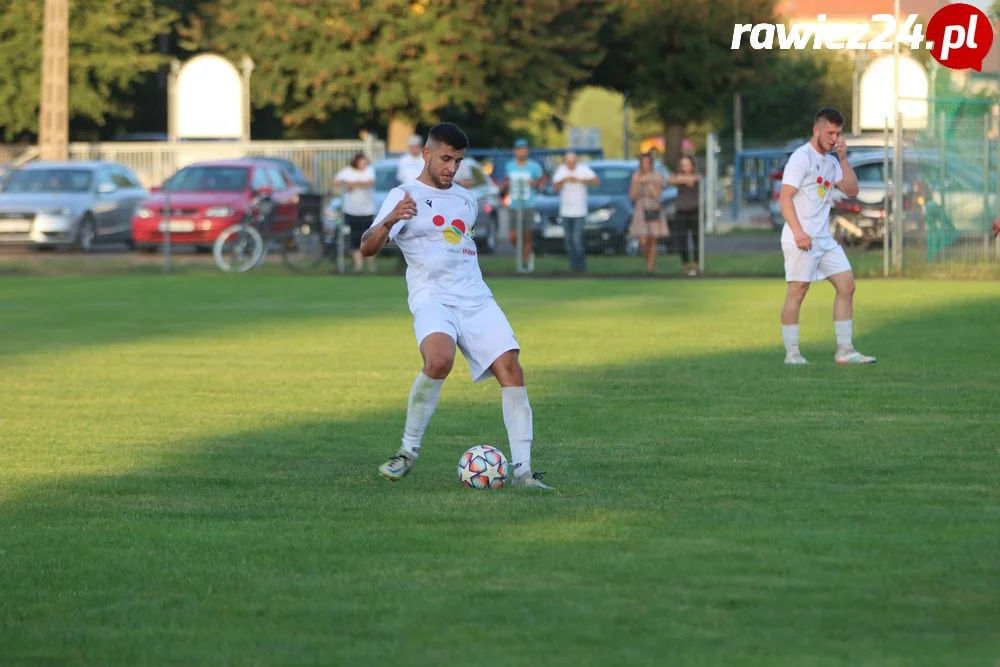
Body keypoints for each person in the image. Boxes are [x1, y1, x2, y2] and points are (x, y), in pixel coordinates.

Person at [359, 122, 553, 491]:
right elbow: (367, 247)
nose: (451, 167)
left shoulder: (467, 199)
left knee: (511, 368)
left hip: (475, 297)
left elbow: (460, 245)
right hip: (432, 296)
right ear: (427, 154)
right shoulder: (404, 194)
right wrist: (390, 219)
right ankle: (407, 452)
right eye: (446, 158)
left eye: (458, 160)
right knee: (439, 361)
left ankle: (525, 473)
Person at [779, 107, 875, 365]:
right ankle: (792, 355)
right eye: (830, 132)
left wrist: (844, 159)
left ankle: (844, 351)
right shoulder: (802, 158)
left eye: (838, 133)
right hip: (801, 237)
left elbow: (852, 190)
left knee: (847, 285)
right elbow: (784, 197)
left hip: (823, 239)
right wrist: (798, 232)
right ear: (817, 130)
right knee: (797, 291)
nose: (834, 138)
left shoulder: (832, 162)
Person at [552, 151, 599, 272]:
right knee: (568, 241)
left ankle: (581, 266)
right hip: (565, 211)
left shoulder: (583, 169)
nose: (570, 165)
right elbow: (555, 186)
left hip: (579, 211)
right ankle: (573, 266)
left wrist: (579, 179)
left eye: (572, 162)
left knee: (577, 239)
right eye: (568, 162)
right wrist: (565, 179)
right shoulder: (561, 170)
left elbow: (596, 181)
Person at [504, 139, 546, 273]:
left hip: (529, 203)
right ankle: (523, 253)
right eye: (519, 149)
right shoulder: (509, 166)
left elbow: (542, 181)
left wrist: (535, 183)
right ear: (515, 151)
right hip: (514, 204)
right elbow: (506, 182)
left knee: (527, 234)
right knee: (513, 236)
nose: (522, 151)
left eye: (524, 149)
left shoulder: (534, 166)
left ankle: (525, 262)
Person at [334, 152, 377, 273]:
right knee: (355, 238)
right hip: (351, 210)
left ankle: (371, 266)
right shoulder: (347, 171)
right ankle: (358, 265)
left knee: (368, 238)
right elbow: (336, 182)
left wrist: (351, 184)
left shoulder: (369, 170)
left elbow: (369, 182)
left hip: (367, 210)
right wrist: (352, 184)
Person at [628, 153, 669, 272]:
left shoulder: (657, 176)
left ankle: (651, 266)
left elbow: (657, 195)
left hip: (653, 207)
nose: (645, 165)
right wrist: (637, 183)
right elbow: (632, 196)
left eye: (648, 162)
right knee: (643, 240)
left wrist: (649, 184)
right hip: (641, 207)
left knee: (653, 237)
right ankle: (649, 262)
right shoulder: (636, 176)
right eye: (643, 162)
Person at [667, 155, 702, 276]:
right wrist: (685, 179)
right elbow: (670, 180)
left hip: (695, 210)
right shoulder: (677, 177)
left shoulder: (698, 177)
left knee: (697, 239)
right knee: (682, 239)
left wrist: (690, 179)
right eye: (683, 165)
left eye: (688, 164)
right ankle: (686, 265)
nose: (686, 167)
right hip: (681, 211)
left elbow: (698, 178)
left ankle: (697, 265)